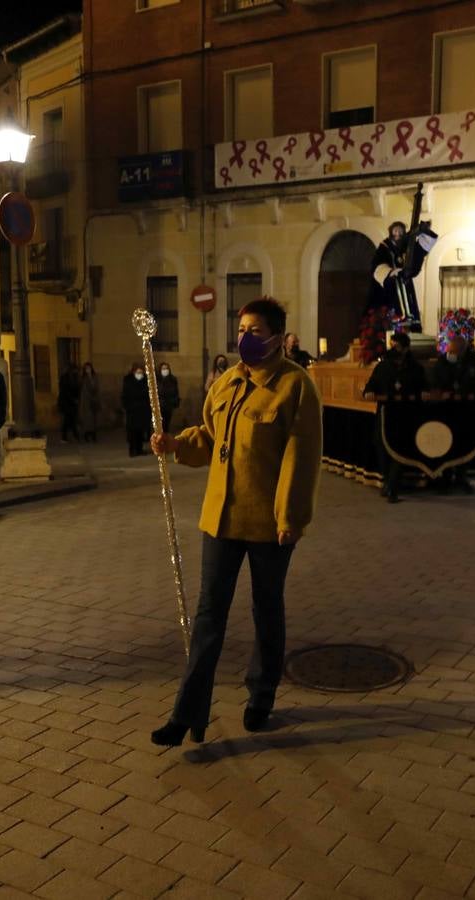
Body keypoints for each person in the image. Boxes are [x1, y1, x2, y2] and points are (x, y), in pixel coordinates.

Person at [149, 297, 322, 745]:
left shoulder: (295, 387)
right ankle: (188, 713)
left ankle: (261, 694)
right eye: (241, 328)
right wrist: (174, 444)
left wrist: (289, 518)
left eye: (255, 330)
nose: (245, 337)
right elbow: (208, 437)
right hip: (220, 520)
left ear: (279, 337)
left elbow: (299, 460)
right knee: (209, 616)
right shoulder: (226, 383)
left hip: (269, 524)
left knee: (267, 609)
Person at [430, 315, 475, 493]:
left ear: (462, 350)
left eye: (455, 352)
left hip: (467, 411)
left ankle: (462, 476)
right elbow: (436, 381)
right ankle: (445, 477)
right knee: (446, 443)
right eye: (450, 351)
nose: (451, 354)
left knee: (465, 443)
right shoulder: (443, 362)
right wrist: (441, 391)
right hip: (447, 411)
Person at [364, 331, 426, 503]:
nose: (393, 349)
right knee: (382, 447)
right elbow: (371, 385)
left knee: (400, 450)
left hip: (405, 415)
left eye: (396, 346)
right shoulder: (383, 367)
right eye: (391, 345)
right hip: (386, 415)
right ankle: (387, 481)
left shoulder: (416, 368)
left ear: (405, 348)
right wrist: (369, 392)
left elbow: (423, 388)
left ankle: (392, 487)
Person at [370, 220, 434, 331]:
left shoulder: (407, 245)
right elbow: (378, 264)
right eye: (395, 230)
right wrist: (390, 272)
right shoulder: (384, 246)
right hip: (392, 282)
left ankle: (410, 321)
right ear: (391, 232)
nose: (398, 234)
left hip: (405, 281)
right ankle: (398, 319)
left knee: (409, 303)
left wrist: (424, 231)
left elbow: (417, 253)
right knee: (395, 304)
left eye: (400, 231)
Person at [121, 363, 151, 457]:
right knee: (132, 432)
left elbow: (148, 395)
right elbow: (124, 395)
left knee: (140, 431)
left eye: (141, 372)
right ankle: (132, 450)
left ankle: (139, 449)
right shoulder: (128, 381)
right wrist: (127, 407)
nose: (139, 374)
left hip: (142, 410)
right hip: (132, 411)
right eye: (138, 372)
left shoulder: (145, 381)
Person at [57, 362, 81, 442]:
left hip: (72, 403)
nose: (76, 371)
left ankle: (72, 436)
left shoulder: (74, 378)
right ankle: (70, 436)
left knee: (70, 420)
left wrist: (76, 399)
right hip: (66, 403)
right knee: (68, 420)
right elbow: (65, 391)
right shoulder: (65, 378)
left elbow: (76, 389)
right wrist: (73, 399)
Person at [78, 362, 101, 443]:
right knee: (87, 420)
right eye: (86, 368)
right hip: (87, 402)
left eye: (89, 368)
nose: (88, 370)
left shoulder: (94, 377)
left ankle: (94, 435)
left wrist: (96, 397)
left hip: (94, 401)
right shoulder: (84, 378)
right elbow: (84, 391)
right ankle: (87, 435)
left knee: (93, 420)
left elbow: (97, 387)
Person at [157, 361, 180, 432]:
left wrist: (175, 401)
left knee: (166, 423)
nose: (165, 370)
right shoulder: (157, 379)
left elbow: (176, 391)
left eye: (166, 368)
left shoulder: (173, 379)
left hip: (169, 404)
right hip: (160, 404)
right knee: (160, 424)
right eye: (163, 368)